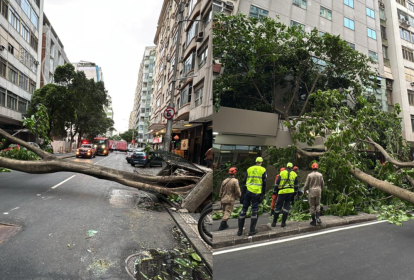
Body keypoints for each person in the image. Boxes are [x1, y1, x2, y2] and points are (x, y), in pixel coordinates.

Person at [237, 157, 267, 236]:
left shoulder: (249, 169)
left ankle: (239, 231)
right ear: (261, 162)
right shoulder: (263, 170)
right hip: (256, 192)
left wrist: (243, 193)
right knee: (254, 210)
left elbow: (244, 181)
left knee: (244, 209)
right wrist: (263, 193)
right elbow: (264, 183)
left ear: (255, 161)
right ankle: (252, 230)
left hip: (248, 191)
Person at [271, 162, 298, 227]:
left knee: (278, 207)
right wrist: (295, 193)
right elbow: (296, 185)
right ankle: (283, 223)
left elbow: (277, 183)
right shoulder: (294, 174)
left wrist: (275, 191)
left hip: (282, 192)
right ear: (292, 167)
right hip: (290, 192)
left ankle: (274, 223)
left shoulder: (282, 173)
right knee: (286, 207)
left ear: (286, 166)